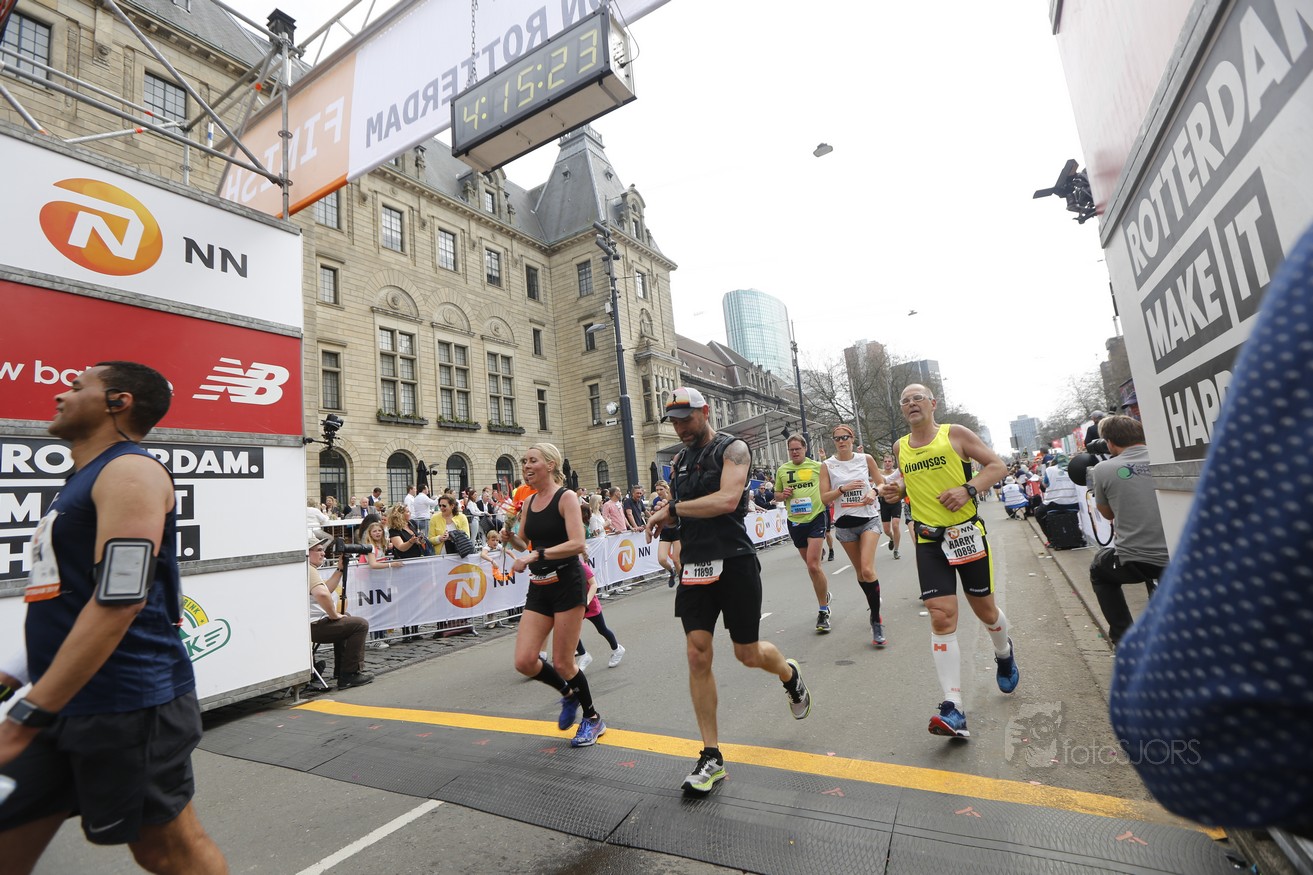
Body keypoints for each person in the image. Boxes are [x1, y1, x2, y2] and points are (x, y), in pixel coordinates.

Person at [1109, 222, 1313, 838]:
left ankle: (1117, 630)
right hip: (1167, 567)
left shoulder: (1105, 471)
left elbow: (1186, 722)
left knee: (1102, 570)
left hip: (1148, 585)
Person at [0, 361, 227, 874]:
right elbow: (66, 597)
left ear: (118, 402)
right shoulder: (83, 480)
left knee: (167, 852)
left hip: (127, 704)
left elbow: (119, 600)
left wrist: (24, 717)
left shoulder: (130, 472)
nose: (61, 394)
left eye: (77, 386)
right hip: (63, 699)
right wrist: (14, 672)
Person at [645, 387, 811, 795]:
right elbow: (681, 515)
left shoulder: (733, 449)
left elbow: (726, 499)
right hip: (695, 566)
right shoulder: (679, 462)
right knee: (697, 653)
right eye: (674, 422)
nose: (680, 428)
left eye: (686, 419)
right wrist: (669, 524)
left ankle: (789, 675)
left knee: (747, 653)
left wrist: (673, 509)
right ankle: (711, 755)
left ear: (705, 411)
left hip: (735, 561)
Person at [878, 384, 1015, 740]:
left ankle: (1004, 652)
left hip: (966, 535)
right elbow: (909, 483)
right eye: (905, 400)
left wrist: (967, 490)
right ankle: (953, 707)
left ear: (933, 403)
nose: (911, 403)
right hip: (929, 540)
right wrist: (896, 491)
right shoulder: (900, 447)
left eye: (918, 398)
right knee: (941, 616)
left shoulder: (955, 434)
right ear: (902, 410)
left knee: (986, 611)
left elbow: (997, 466)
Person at [504, 443, 606, 748]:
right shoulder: (528, 502)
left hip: (567, 584)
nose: (526, 465)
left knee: (563, 662)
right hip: (539, 585)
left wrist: (535, 555)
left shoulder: (567, 498)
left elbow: (577, 543)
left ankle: (592, 718)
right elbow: (525, 543)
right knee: (525, 661)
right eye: (524, 461)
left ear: (550, 465)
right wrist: (511, 538)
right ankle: (567, 694)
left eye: (532, 460)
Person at [1086, 416, 1169, 646]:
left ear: (1110, 443)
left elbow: (1108, 515)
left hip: (1137, 560)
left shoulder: (1103, 469)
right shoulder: (1165, 457)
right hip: (1179, 555)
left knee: (1099, 570)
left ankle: (1123, 640)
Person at [821, 425, 887, 647]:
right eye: (837, 438)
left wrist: (874, 491)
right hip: (845, 525)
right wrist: (842, 489)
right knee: (860, 572)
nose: (841, 441)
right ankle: (873, 600)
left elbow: (881, 482)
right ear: (834, 441)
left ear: (852, 438)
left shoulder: (865, 459)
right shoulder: (827, 465)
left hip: (868, 519)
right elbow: (824, 498)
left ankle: (876, 620)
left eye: (845, 437)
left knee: (867, 569)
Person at [773, 434, 835, 633]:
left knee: (814, 565)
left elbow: (829, 486)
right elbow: (776, 495)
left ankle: (823, 611)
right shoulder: (782, 470)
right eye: (791, 450)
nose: (794, 452)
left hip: (816, 517)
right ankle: (825, 594)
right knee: (811, 567)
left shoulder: (818, 467)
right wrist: (782, 495)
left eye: (797, 449)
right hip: (795, 521)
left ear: (805, 448)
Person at [306, 536, 374, 689]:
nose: (323, 553)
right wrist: (333, 615)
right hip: (313, 626)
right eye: (318, 550)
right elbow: (322, 594)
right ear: (308, 553)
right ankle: (349, 674)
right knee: (360, 624)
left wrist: (340, 569)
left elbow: (326, 589)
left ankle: (341, 671)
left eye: (323, 550)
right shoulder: (308, 569)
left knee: (346, 619)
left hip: (311, 624)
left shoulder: (308, 568)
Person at [572, 556, 626, 670]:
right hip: (575, 605)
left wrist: (586, 601)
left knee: (602, 629)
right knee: (571, 632)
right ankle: (584, 655)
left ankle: (617, 649)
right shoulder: (563, 569)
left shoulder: (582, 566)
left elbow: (594, 585)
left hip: (590, 605)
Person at [357, 517, 401, 649]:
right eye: (374, 531)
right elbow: (373, 564)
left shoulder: (380, 546)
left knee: (382, 607)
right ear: (370, 534)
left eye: (379, 531)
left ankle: (382, 635)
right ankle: (375, 638)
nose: (377, 533)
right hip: (373, 581)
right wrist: (391, 564)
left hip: (381, 580)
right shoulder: (370, 547)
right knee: (375, 609)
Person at [1034, 455, 1079, 543]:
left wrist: (1041, 481)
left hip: (1054, 503)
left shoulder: (1050, 470)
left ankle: (1051, 539)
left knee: (1038, 514)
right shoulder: (1073, 469)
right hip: (1073, 503)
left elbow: (1045, 485)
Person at [651, 481, 681, 587]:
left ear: (667, 489)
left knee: (676, 560)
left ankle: (683, 582)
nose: (659, 492)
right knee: (662, 559)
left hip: (676, 531)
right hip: (665, 532)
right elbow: (655, 515)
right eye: (657, 490)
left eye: (661, 489)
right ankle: (672, 572)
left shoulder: (672, 499)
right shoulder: (656, 501)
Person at [878, 453, 904, 559]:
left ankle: (896, 550)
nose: (887, 463)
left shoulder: (896, 473)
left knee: (895, 525)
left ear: (893, 463)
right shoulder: (879, 473)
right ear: (883, 463)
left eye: (889, 461)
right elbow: (866, 467)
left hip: (895, 501)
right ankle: (892, 538)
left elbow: (901, 467)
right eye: (885, 461)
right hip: (884, 503)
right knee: (886, 530)